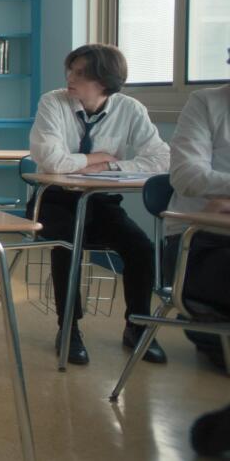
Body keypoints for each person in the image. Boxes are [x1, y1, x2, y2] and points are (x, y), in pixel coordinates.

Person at [29, 43, 170, 366]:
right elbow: (51, 160)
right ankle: (69, 328)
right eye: (71, 70)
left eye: (81, 74)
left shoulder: (130, 109)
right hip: (54, 200)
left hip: (101, 202)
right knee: (68, 244)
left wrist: (109, 167)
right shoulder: (53, 102)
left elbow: (161, 158)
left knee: (142, 248)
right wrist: (97, 157)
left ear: (104, 81)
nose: (70, 77)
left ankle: (138, 326)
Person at [165, 72, 230, 370]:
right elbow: (186, 175)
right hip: (197, 239)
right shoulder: (206, 102)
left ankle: (207, 319)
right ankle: (203, 316)